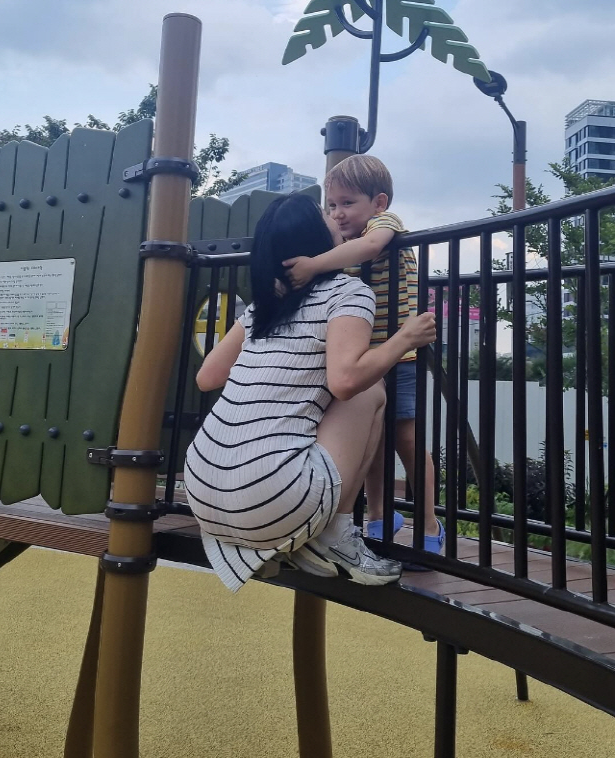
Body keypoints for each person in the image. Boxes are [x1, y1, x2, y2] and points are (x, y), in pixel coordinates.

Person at [183, 193, 436, 592]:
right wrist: (405, 337)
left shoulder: (263, 307)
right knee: (370, 392)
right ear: (316, 236)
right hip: (270, 496)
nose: (336, 218)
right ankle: (336, 535)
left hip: (201, 489)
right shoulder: (346, 293)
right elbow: (345, 382)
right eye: (326, 214)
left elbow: (208, 376)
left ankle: (278, 541)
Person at [283, 155, 444, 554]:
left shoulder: (382, 226)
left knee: (406, 437)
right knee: (372, 433)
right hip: (362, 358)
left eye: (347, 203)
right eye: (332, 204)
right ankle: (378, 518)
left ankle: (428, 525)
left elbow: (370, 248)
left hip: (400, 356)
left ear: (378, 202)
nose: (337, 213)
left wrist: (311, 265)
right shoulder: (343, 245)